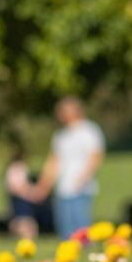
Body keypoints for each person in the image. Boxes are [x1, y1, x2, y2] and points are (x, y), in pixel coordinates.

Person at [38, 97, 106, 237]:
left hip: (81, 188)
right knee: (65, 228)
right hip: (62, 188)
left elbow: (96, 156)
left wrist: (83, 178)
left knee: (81, 228)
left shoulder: (89, 130)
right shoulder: (60, 135)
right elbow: (54, 161)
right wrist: (44, 184)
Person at [4, 141, 50, 236]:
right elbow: (19, 187)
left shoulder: (13, 168)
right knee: (25, 222)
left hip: (23, 201)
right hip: (21, 202)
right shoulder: (18, 168)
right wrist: (34, 194)